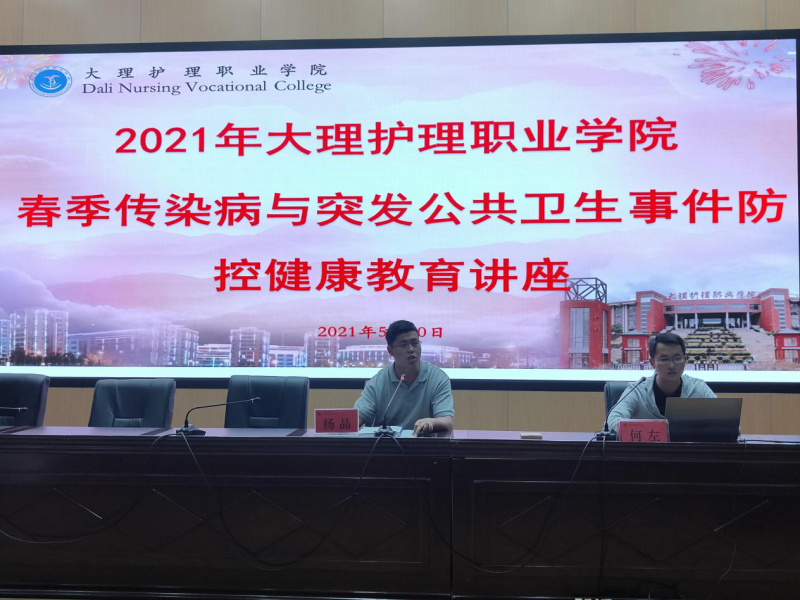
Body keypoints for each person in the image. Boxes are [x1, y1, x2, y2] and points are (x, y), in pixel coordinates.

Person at [355, 320, 454, 436]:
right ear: (390, 351)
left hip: (423, 445)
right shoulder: (377, 382)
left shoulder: (438, 378)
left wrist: (431, 422)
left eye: (415, 343)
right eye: (404, 345)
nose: (411, 349)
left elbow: (447, 421)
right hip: (385, 446)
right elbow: (356, 420)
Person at [607, 331, 715, 432]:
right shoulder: (638, 390)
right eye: (664, 359)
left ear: (685, 360)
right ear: (652, 363)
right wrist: (654, 431)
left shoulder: (698, 387)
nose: (672, 365)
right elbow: (614, 419)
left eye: (677, 358)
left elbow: (720, 418)